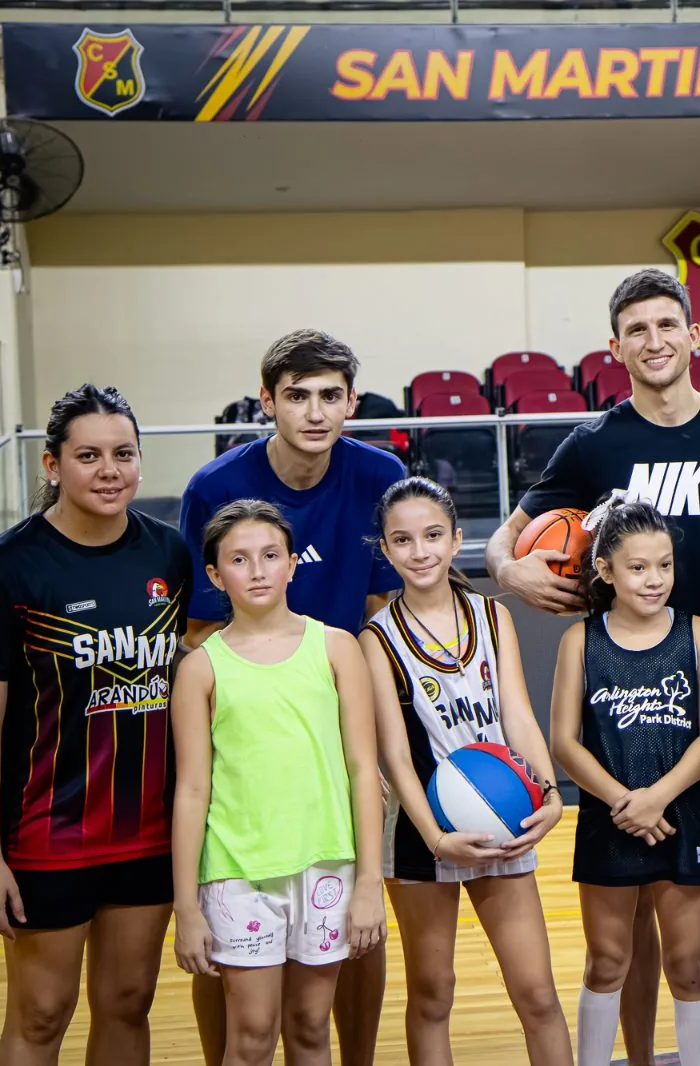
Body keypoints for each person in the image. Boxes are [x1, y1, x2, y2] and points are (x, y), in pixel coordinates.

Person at [486, 268, 700, 1066]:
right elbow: (505, 540)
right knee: (638, 902)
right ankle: (642, 1055)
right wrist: (512, 574)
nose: (655, 341)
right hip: (625, 706)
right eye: (638, 330)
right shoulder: (595, 444)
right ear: (614, 347)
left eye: (668, 325)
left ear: (694, 335)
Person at [179, 329, 405, 1066]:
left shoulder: (379, 475)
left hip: (345, 709)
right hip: (253, 734)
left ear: (351, 402)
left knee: (354, 922)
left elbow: (382, 614)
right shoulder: (216, 488)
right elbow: (199, 626)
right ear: (268, 399)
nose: (314, 411)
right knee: (240, 978)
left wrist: (366, 739)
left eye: (330, 395)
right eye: (297, 395)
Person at [0, 384, 190, 1066]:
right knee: (41, 1014)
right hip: (46, 836)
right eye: (88, 455)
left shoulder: (169, 556)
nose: (109, 470)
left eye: (123, 453)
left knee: (126, 1003)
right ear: (53, 465)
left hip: (147, 835)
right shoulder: (3, 568)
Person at [358, 477, 573, 1066]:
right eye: (402, 540)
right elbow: (396, 754)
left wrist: (550, 794)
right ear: (384, 549)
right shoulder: (375, 640)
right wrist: (435, 836)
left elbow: (518, 715)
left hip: (505, 814)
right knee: (433, 993)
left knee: (536, 992)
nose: (420, 551)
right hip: (424, 833)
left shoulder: (490, 615)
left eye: (432, 536)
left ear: (457, 540)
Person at [170, 499, 387, 1066]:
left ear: (293, 564)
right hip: (237, 873)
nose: (259, 569)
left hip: (326, 867)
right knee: (252, 1035)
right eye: (239, 559)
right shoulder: (200, 667)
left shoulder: (337, 647)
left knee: (312, 1028)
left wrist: (369, 880)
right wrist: (186, 907)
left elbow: (364, 769)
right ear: (216, 575)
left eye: (271, 555)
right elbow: (192, 791)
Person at [550, 495, 700, 1066]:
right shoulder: (581, 640)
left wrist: (658, 798)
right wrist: (626, 802)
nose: (655, 580)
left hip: (681, 814)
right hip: (610, 818)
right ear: (605, 570)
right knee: (606, 962)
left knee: (689, 964)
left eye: (665, 565)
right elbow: (563, 742)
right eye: (638, 567)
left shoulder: (699, 634)